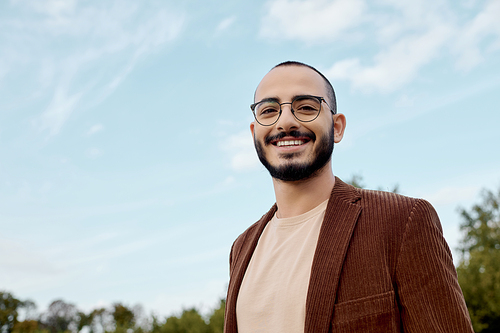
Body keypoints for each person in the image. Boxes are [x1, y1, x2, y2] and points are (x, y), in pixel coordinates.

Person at [223, 61, 474, 333]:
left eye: (306, 107)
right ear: (254, 133)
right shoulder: (241, 249)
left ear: (337, 126)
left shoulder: (402, 221)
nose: (285, 121)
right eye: (269, 110)